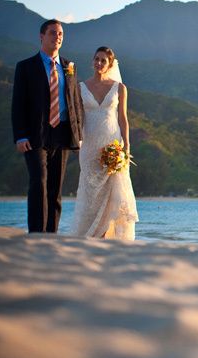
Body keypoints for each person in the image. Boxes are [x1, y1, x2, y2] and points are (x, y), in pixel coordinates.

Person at [12, 19, 84, 233]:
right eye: (53, 33)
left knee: (55, 187)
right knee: (39, 182)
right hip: (35, 134)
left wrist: (77, 133)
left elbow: (74, 102)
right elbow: (18, 104)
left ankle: (51, 234)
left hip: (62, 133)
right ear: (41, 36)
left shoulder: (69, 66)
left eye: (61, 33)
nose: (58, 37)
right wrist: (20, 135)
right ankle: (36, 233)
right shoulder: (25, 67)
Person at [71, 46, 138, 240]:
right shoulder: (81, 87)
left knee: (113, 192)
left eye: (103, 61)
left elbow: (123, 118)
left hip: (112, 144)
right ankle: (89, 235)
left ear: (109, 64)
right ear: (92, 61)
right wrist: (77, 142)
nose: (99, 63)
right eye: (96, 59)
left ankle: (108, 236)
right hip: (90, 145)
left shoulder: (119, 88)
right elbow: (79, 118)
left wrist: (126, 146)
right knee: (90, 193)